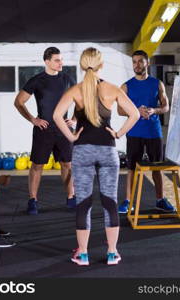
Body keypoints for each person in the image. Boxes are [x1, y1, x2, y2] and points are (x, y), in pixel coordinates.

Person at [53, 47, 139, 266]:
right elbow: (135, 114)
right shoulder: (112, 89)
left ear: (83, 65)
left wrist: (72, 138)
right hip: (108, 150)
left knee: (84, 203)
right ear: (101, 65)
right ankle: (112, 252)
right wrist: (118, 133)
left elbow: (56, 116)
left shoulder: (75, 90)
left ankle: (82, 253)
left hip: (82, 151)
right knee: (110, 202)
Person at [14, 47, 76, 215]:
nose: (60, 63)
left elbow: (80, 100)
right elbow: (19, 102)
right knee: (37, 166)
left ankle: (71, 197)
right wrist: (33, 119)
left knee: (67, 164)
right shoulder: (37, 80)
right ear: (47, 61)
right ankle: (33, 200)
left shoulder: (68, 79)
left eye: (61, 59)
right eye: (57, 60)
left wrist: (75, 119)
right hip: (44, 129)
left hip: (63, 130)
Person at [117, 50, 175, 214]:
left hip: (153, 132)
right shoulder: (126, 86)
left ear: (147, 63)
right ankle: (128, 201)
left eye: (140, 61)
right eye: (134, 62)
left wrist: (153, 110)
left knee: (157, 167)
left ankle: (160, 199)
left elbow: (166, 107)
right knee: (131, 168)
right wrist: (136, 110)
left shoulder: (157, 84)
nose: (137, 65)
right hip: (134, 131)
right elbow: (120, 110)